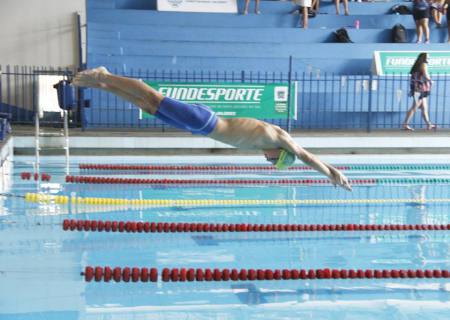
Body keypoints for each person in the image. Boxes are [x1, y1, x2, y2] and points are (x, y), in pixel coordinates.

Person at [72, 67, 352, 191]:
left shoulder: (262, 145)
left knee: (149, 108)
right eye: (272, 160)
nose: (266, 160)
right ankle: (105, 74)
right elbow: (306, 156)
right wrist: (332, 173)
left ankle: (104, 85)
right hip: (205, 121)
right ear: (278, 154)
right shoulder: (278, 137)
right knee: (153, 98)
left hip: (199, 128)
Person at [402, 52, 436, 131]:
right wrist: (431, 81)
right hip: (419, 89)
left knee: (424, 107)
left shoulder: (417, 65)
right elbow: (426, 74)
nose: (429, 59)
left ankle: (429, 124)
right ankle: (405, 124)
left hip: (418, 88)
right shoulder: (424, 64)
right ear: (423, 58)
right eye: (427, 57)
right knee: (415, 107)